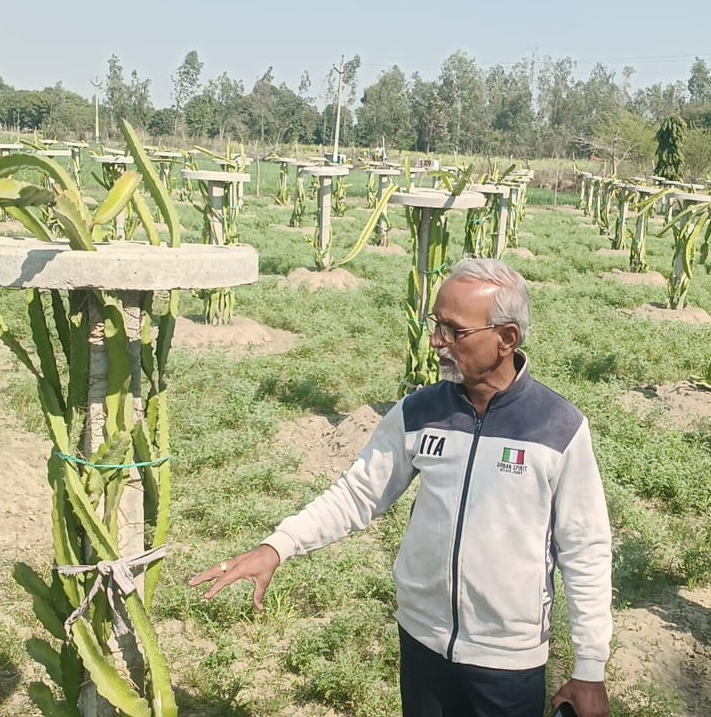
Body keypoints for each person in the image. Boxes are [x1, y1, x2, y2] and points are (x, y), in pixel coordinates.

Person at [190, 257, 613, 717]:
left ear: (506, 338)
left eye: (454, 331)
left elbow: (585, 549)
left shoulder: (558, 428)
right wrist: (278, 546)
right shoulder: (418, 413)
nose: (436, 342)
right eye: (436, 325)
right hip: (421, 640)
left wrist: (589, 668)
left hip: (507, 661)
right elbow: (357, 495)